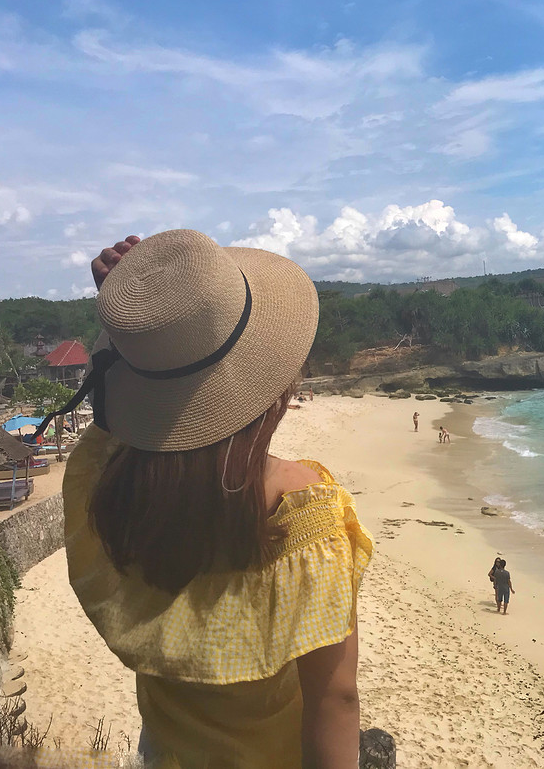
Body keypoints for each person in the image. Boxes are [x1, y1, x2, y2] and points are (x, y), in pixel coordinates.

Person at [57, 230, 374, 768]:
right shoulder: (304, 514)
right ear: (277, 388)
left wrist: (138, 322)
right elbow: (335, 700)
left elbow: (118, 429)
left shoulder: (107, 488)